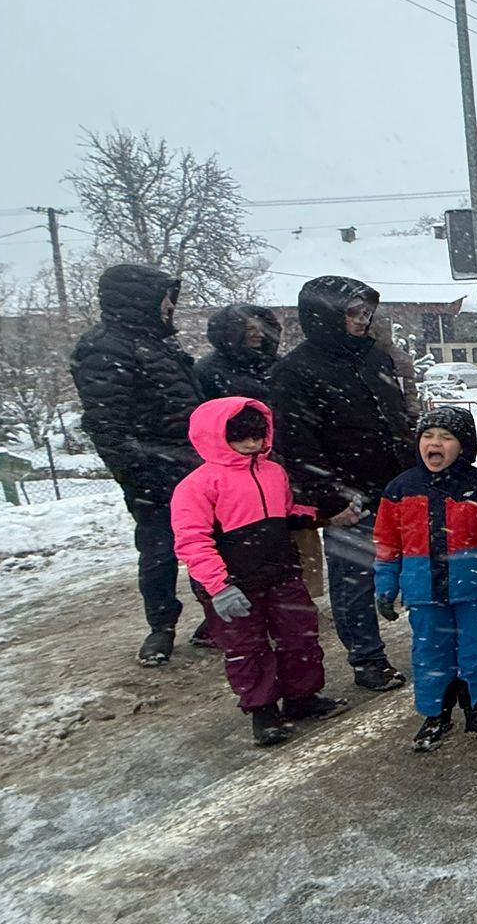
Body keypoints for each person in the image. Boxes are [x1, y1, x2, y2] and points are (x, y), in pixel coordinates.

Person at [267, 276, 416, 692]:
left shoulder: (374, 357)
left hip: (396, 485)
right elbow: (297, 447)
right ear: (327, 315)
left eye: (366, 312)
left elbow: (398, 417)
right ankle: (367, 659)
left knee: (419, 566)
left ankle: (434, 642)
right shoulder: (295, 372)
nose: (363, 321)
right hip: (348, 498)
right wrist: (330, 500)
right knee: (354, 581)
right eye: (353, 312)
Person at [170, 397, 346, 746]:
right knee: (246, 647)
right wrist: (219, 586)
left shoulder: (272, 472)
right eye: (240, 437)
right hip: (234, 581)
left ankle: (301, 697)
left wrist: (311, 514)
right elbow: (192, 541)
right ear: (217, 436)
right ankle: (262, 709)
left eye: (256, 435)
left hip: (280, 571)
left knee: (300, 636)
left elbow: (284, 511)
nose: (251, 444)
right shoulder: (198, 485)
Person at [71, 264, 204, 666]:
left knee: (206, 546)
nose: (170, 305)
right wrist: (139, 474)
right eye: (165, 296)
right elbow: (106, 423)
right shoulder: (105, 348)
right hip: (152, 474)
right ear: (138, 300)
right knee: (159, 551)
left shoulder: (160, 343)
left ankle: (216, 618)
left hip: (192, 467)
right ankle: (161, 627)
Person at [373, 406, 477, 752]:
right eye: (428, 435)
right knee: (430, 654)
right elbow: (387, 542)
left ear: (463, 445)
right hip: (424, 591)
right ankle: (435, 714)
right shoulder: (400, 488)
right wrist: (385, 585)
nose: (434, 443)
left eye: (446, 437)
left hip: (474, 589)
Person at [194, 304, 282, 401]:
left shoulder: (275, 363)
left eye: (262, 329)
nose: (260, 334)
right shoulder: (208, 370)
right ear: (234, 332)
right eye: (251, 329)